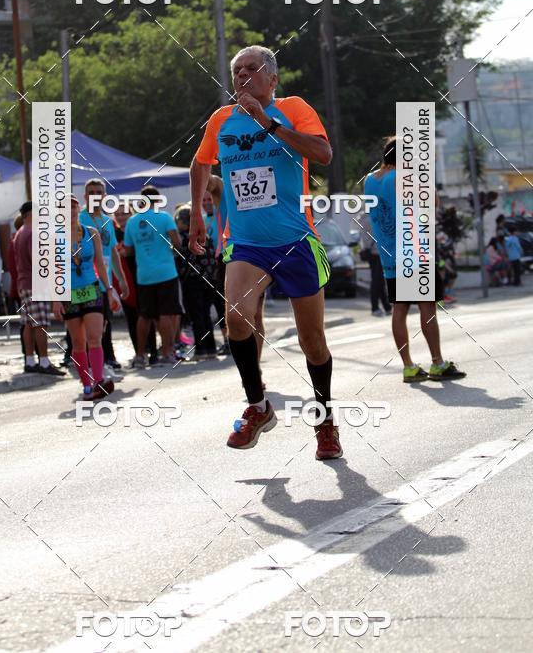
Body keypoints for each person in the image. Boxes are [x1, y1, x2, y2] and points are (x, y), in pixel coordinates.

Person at [189, 45, 341, 460]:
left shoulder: (294, 108)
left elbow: (323, 154)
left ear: (271, 78)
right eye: (236, 70)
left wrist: (267, 122)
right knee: (235, 318)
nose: (241, 77)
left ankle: (325, 421)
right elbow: (200, 163)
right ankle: (258, 407)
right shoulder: (221, 120)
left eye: (250, 70)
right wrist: (199, 215)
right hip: (246, 242)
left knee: (312, 342)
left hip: (296, 240)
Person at [364, 137, 466, 383]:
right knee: (427, 308)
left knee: (399, 310)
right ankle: (437, 363)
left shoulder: (370, 180)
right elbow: (433, 204)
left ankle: (408, 366)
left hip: (389, 255)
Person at [53, 195, 121, 399]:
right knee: (78, 342)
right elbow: (52, 272)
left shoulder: (91, 233)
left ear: (78, 210)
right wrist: (55, 299)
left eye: (74, 208)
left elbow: (100, 264)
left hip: (92, 289)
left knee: (95, 337)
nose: (71, 212)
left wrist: (109, 290)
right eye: (66, 209)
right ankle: (86, 386)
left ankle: (98, 381)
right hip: (69, 294)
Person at [123, 185, 183, 366]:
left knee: (145, 315)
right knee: (166, 313)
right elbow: (178, 242)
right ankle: (167, 353)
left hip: (144, 275)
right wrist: (169, 250)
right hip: (166, 272)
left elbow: (128, 250)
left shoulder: (132, 221)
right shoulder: (164, 217)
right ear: (157, 201)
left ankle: (140, 356)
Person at [79, 179, 129, 373]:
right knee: (88, 325)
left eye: (98, 192)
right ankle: (89, 364)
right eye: (91, 192)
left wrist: (122, 279)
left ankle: (106, 359)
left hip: (105, 282)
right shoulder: (80, 219)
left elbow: (113, 252)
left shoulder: (108, 220)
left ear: (104, 196)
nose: (95, 195)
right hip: (85, 281)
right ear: (85, 196)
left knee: (105, 322)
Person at [13, 201, 65, 376]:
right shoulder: (33, 233)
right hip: (36, 284)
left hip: (24, 283)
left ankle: (30, 360)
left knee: (28, 323)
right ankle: (44, 361)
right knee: (40, 324)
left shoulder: (20, 232)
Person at [112, 202, 157, 361]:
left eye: (124, 213)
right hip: (124, 280)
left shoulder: (137, 229)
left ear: (130, 214)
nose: (120, 216)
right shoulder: (113, 234)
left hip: (142, 277)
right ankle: (139, 352)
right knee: (131, 318)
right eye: (117, 214)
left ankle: (153, 352)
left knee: (146, 315)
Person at [175, 204, 218, 358]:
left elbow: (181, 264)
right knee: (205, 315)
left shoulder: (185, 239)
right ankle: (211, 348)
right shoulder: (205, 236)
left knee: (197, 316)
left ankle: (201, 349)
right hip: (210, 281)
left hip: (193, 283)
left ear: (184, 222)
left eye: (178, 220)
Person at [203, 176, 229, 354]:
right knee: (219, 303)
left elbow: (215, 183)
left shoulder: (221, 209)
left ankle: (231, 339)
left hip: (224, 259)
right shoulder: (203, 219)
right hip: (209, 267)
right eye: (203, 200)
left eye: (208, 199)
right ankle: (226, 340)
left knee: (227, 301)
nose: (206, 202)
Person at [359, 213, 391, 317]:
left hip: (372, 252)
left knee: (379, 281)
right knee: (377, 281)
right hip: (377, 252)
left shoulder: (364, 219)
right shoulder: (372, 219)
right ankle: (375, 307)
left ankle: (386, 307)